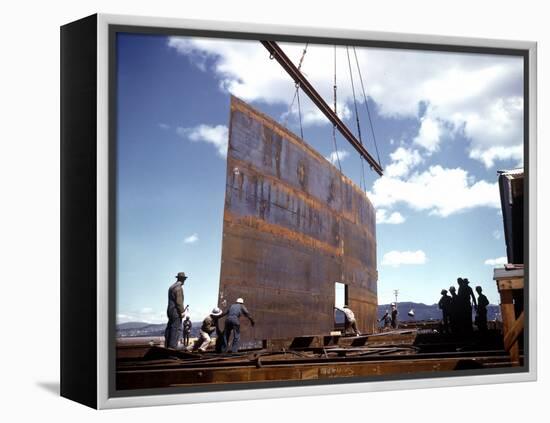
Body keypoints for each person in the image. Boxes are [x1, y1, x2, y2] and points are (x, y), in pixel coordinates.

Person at [164, 272, 188, 349]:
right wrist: (182, 311)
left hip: (170, 311)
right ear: (183, 279)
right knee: (176, 328)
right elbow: (179, 301)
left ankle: (167, 345)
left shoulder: (171, 287)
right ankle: (173, 346)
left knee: (170, 327)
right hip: (176, 311)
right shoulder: (179, 288)